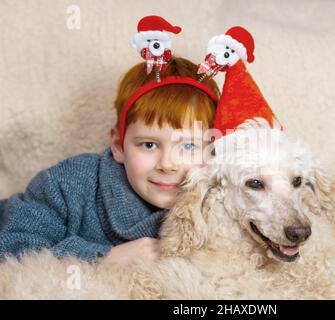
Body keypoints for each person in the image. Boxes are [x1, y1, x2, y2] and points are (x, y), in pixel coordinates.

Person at [0, 30, 220, 265]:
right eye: (149, 144)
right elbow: (13, 245)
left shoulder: (223, 201)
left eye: (188, 146)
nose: (167, 164)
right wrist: (107, 256)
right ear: (118, 145)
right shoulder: (67, 184)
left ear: (213, 150)